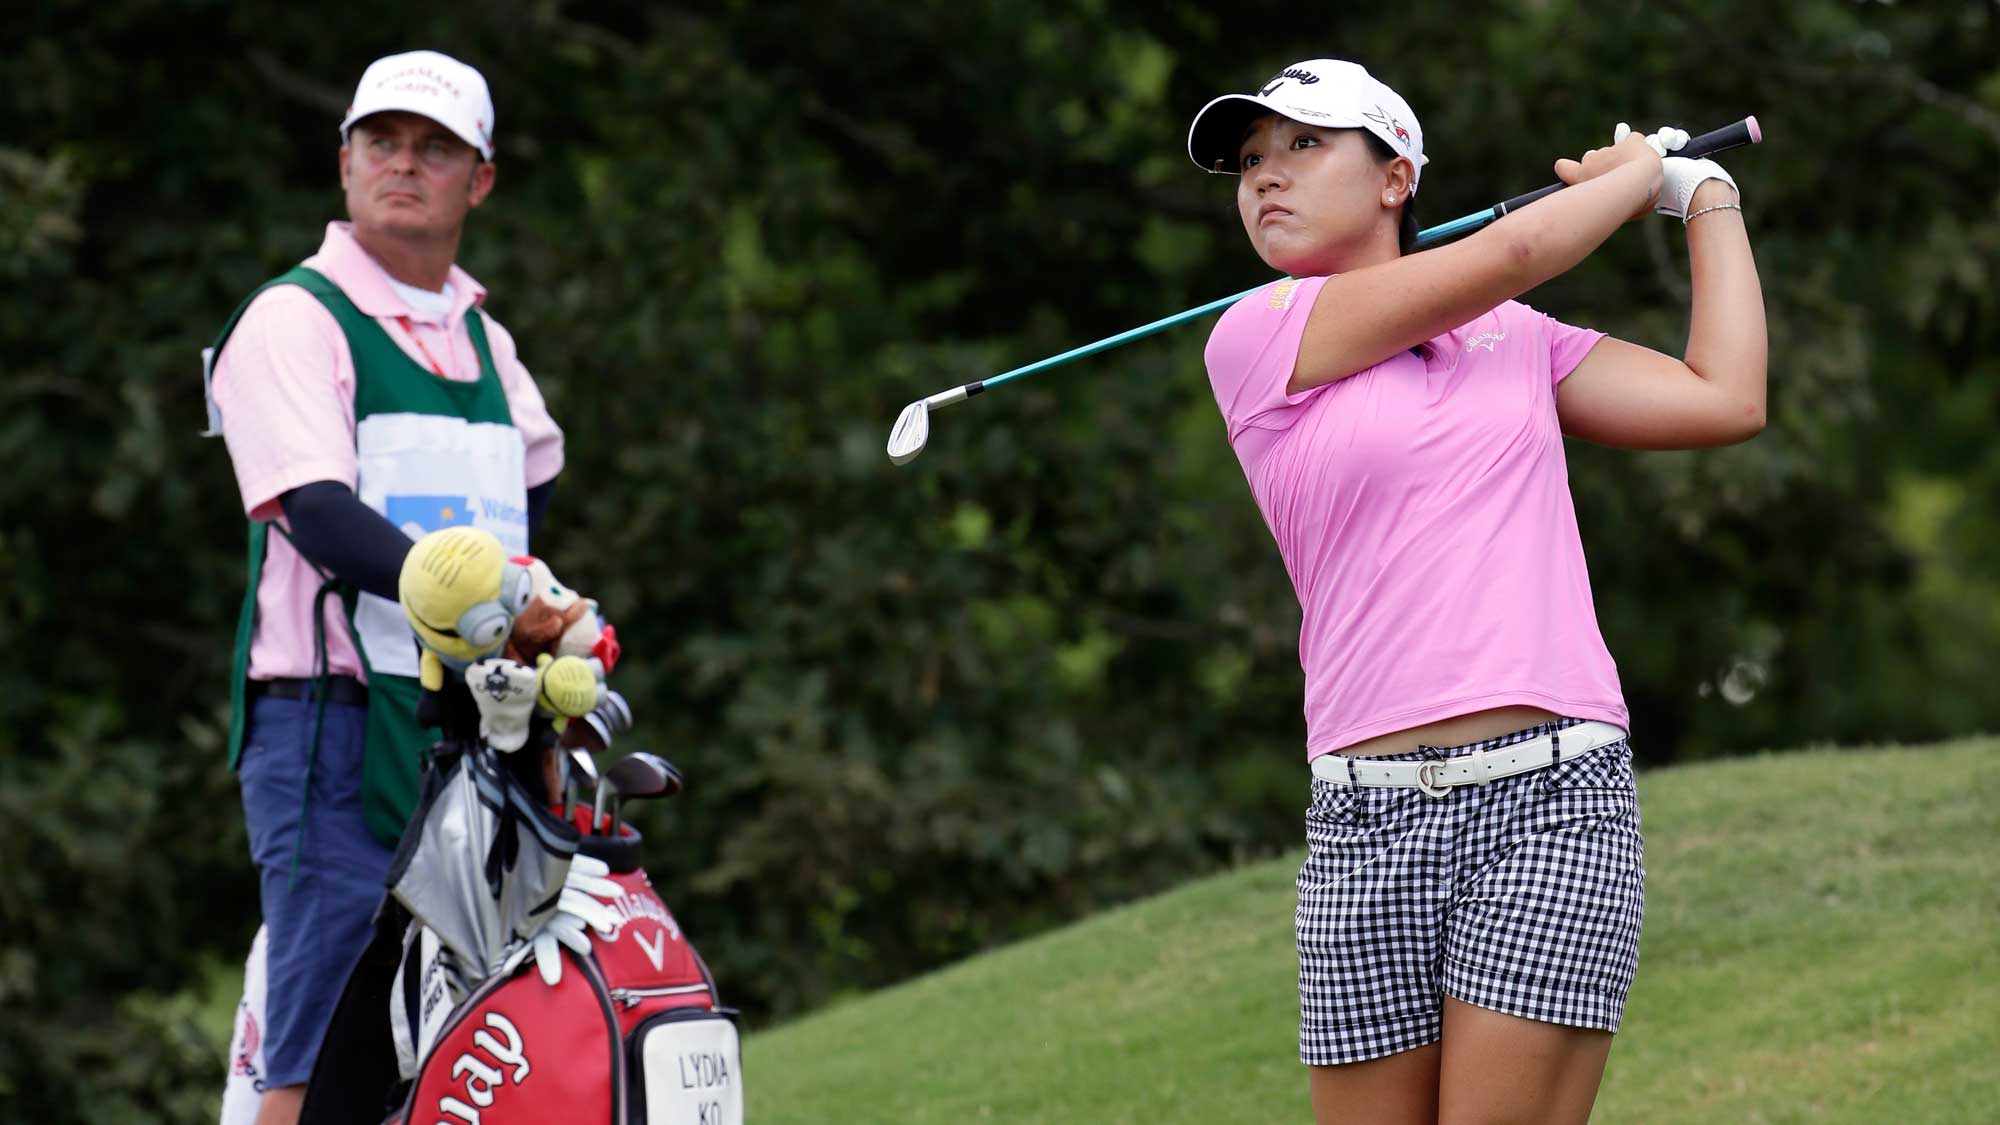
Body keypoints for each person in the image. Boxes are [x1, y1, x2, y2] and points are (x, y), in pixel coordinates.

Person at [1186, 60, 1764, 1124]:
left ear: (1395, 177)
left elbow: (1720, 398)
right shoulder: (1257, 334)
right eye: (1249, 162)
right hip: (1359, 821)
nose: (1264, 178)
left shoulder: (1516, 340)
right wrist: (1634, 171)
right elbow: (1509, 250)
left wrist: (1699, 199)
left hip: (1548, 801)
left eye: (1302, 147)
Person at [204, 50, 563, 1125]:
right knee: (319, 1049)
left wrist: (544, 614)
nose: (404, 165)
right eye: (382, 142)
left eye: (435, 147)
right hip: (333, 731)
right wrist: (472, 596)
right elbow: (316, 512)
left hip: (469, 734)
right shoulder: (293, 318)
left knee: (471, 1040)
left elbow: (529, 495)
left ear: (479, 178)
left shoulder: (487, 342)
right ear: (347, 160)